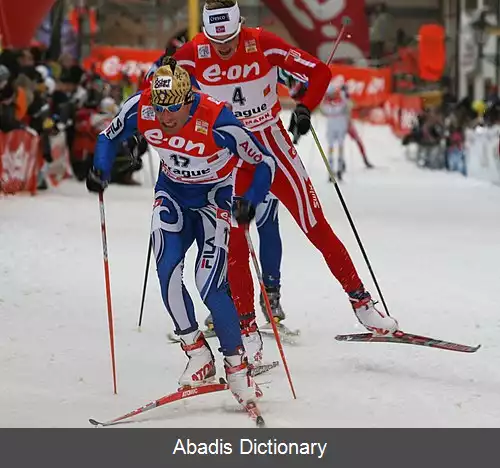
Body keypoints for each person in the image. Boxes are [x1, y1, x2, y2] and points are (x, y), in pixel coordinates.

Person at [163, 0, 399, 364]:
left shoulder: (261, 42)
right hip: (229, 157)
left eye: (230, 40)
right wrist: (164, 79)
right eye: (217, 42)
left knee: (315, 225)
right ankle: (247, 328)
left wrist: (306, 107)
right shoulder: (195, 51)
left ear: (240, 25)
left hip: (273, 147)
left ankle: (362, 303)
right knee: (236, 243)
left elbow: (319, 72)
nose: (224, 49)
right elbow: (157, 88)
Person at [86, 58, 277, 409]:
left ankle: (237, 367)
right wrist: (100, 169)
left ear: (189, 99)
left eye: (173, 109)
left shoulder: (217, 118)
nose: (165, 117)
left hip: (213, 199)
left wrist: (249, 200)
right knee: (167, 269)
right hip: (172, 193)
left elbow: (264, 162)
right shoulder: (142, 107)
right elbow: (107, 136)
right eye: (160, 108)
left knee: (208, 283)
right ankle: (197, 353)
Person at [321, 84, 350, 181]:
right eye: (329, 94)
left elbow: (347, 106)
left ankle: (340, 169)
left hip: (341, 125)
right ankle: (331, 170)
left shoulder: (341, 98)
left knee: (341, 147)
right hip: (331, 126)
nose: (331, 96)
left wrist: (345, 95)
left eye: (332, 94)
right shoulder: (326, 101)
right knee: (331, 147)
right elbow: (324, 110)